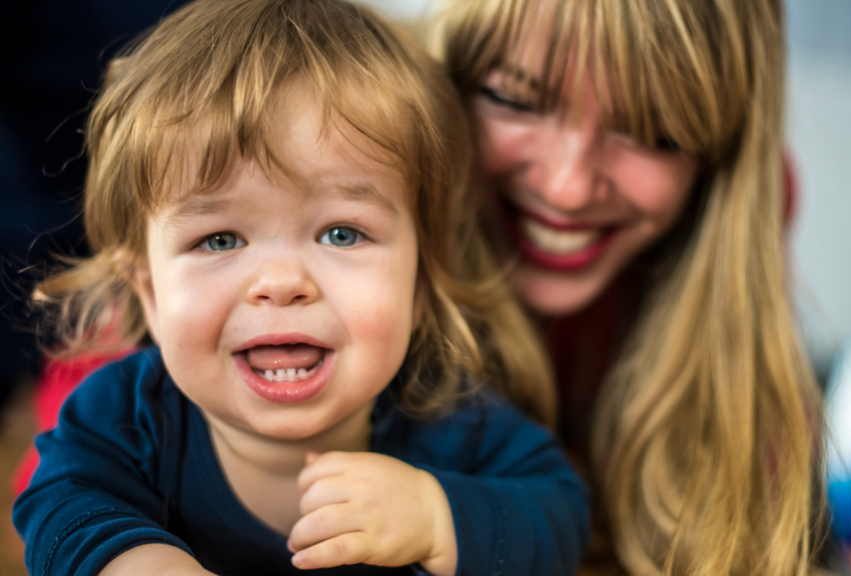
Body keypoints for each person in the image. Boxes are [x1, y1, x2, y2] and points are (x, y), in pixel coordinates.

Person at [13, 0, 588, 574]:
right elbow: (60, 510)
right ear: (151, 295)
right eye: (219, 240)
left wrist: (438, 516)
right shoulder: (126, 418)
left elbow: (561, 512)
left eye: (342, 233)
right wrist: (136, 561)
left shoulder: (449, 419)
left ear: (420, 283)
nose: (282, 284)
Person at [432, 0, 825, 574]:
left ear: (717, 163)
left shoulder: (746, 221)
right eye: (512, 100)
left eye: (654, 134)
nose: (567, 189)